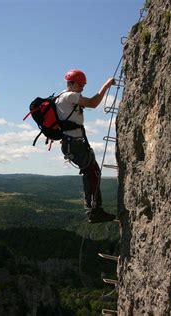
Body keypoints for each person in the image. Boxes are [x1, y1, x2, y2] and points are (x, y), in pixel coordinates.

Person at [55, 69, 116, 223]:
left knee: (92, 172)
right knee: (93, 172)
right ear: (72, 83)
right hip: (75, 145)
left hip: (71, 144)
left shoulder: (60, 98)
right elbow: (93, 103)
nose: (82, 88)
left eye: (83, 85)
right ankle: (94, 211)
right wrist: (106, 85)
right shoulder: (70, 96)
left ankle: (94, 209)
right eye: (81, 84)